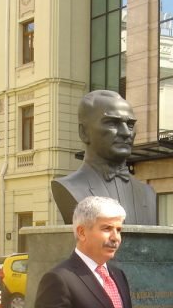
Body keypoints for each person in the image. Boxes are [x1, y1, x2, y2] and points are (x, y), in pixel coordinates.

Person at [51, 90, 157, 225]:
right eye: (112, 123)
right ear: (83, 132)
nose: (126, 133)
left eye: (130, 125)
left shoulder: (148, 193)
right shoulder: (69, 187)